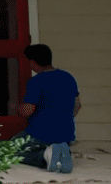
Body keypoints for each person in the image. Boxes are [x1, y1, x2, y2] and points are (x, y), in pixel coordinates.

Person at [15, 44, 80, 173]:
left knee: (10, 150)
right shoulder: (68, 77)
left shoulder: (36, 82)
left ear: (33, 62)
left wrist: (17, 108)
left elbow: (28, 110)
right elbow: (77, 106)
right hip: (66, 134)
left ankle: (45, 155)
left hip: (40, 134)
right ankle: (61, 152)